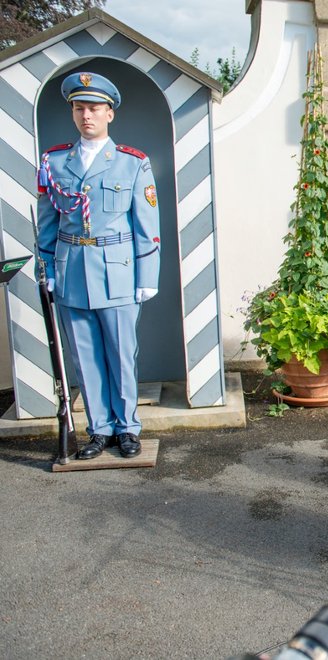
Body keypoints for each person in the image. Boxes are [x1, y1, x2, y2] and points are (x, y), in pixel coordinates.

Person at [36, 71, 161, 460]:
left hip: (119, 270)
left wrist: (148, 275)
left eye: (93, 108)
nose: (85, 115)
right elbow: (47, 224)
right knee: (84, 356)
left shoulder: (132, 163)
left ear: (110, 113)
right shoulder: (55, 163)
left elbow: (147, 225)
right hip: (72, 268)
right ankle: (99, 429)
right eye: (78, 108)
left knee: (122, 352)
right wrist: (48, 271)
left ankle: (127, 428)